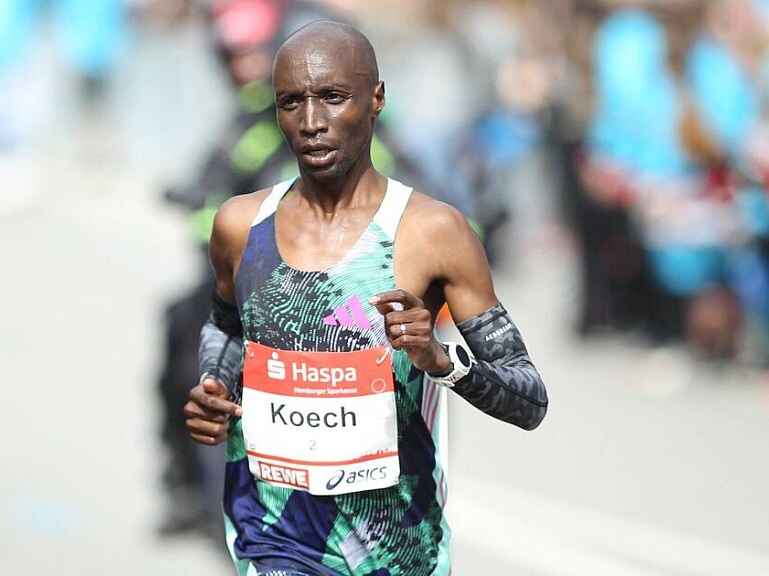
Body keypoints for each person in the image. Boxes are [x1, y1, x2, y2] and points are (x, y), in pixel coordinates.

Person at [184, 20, 548, 575]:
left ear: (376, 99)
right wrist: (215, 381)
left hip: (396, 548)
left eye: (333, 98)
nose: (311, 122)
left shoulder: (432, 232)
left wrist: (440, 361)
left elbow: (530, 400)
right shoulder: (241, 224)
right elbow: (226, 324)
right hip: (274, 536)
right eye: (290, 103)